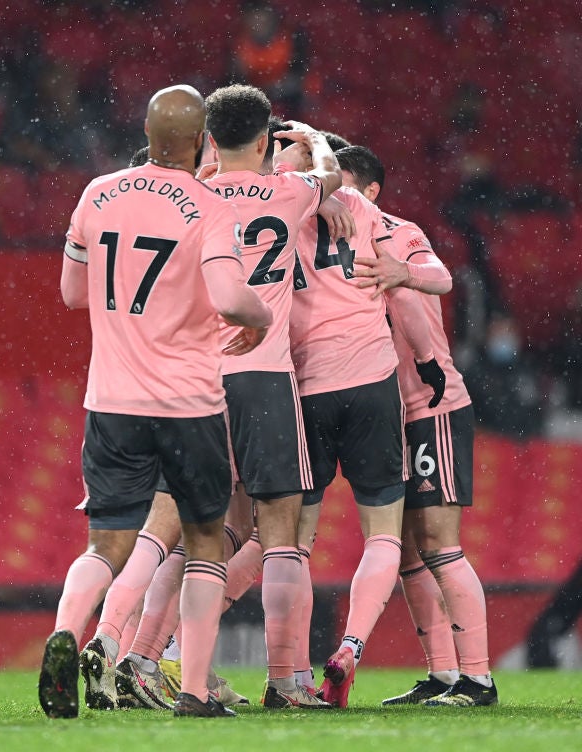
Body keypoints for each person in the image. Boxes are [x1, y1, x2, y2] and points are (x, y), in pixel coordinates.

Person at [38, 84, 273, 720]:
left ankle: (65, 631)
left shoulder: (96, 193)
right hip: (188, 404)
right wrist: (262, 318)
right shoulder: (208, 205)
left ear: (146, 132)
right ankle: (194, 692)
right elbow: (230, 298)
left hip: (111, 399)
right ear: (201, 141)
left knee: (105, 545)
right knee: (203, 542)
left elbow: (70, 293)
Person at [339, 144, 498, 707]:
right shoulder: (331, 243)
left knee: (438, 544)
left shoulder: (396, 231)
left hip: (433, 405)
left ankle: (478, 678)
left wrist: (402, 272)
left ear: (371, 191)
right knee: (406, 551)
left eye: (342, 180)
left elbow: (440, 277)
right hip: (386, 413)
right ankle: (443, 674)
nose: (330, 190)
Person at [285, 134, 439, 708]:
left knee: (293, 543)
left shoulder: (278, 207)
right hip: (373, 383)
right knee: (384, 535)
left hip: (306, 386)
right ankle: (351, 645)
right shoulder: (368, 210)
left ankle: (293, 675)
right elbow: (424, 284)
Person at [201, 85, 342, 710]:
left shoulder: (193, 196)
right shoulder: (290, 193)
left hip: (196, 382)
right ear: (264, 141)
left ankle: (167, 666)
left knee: (197, 536)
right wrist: (307, 139)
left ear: (210, 138)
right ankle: (287, 680)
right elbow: (331, 174)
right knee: (281, 533)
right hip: (263, 373)